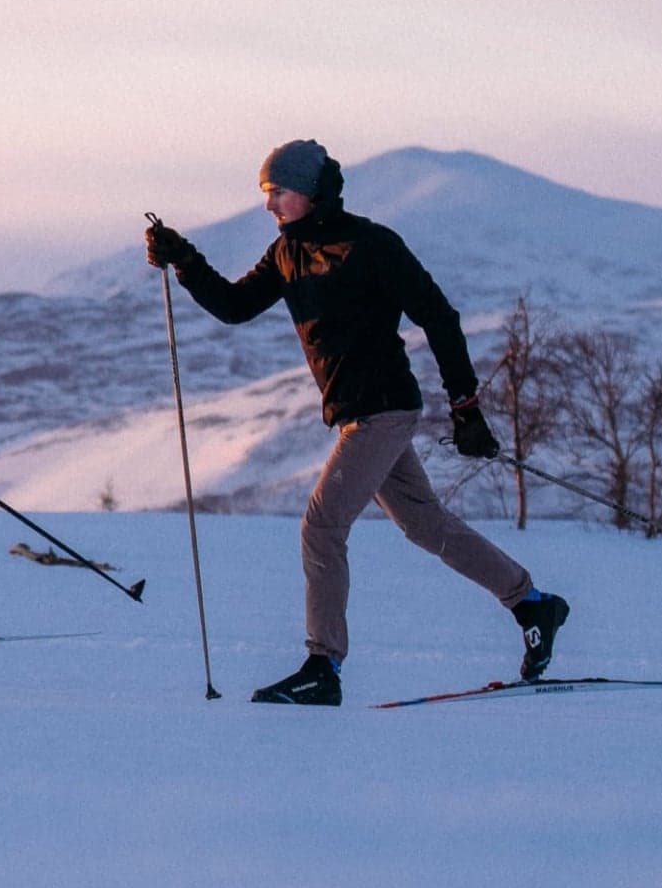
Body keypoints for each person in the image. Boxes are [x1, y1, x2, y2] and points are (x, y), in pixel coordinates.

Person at [146, 139, 563, 706]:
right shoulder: (287, 253)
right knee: (424, 525)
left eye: (280, 193)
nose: (271, 206)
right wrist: (187, 261)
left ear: (312, 192)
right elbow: (235, 306)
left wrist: (465, 407)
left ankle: (323, 665)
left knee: (321, 526)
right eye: (267, 195)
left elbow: (439, 318)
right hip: (357, 414)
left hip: (383, 408)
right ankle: (531, 603)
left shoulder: (372, 246)